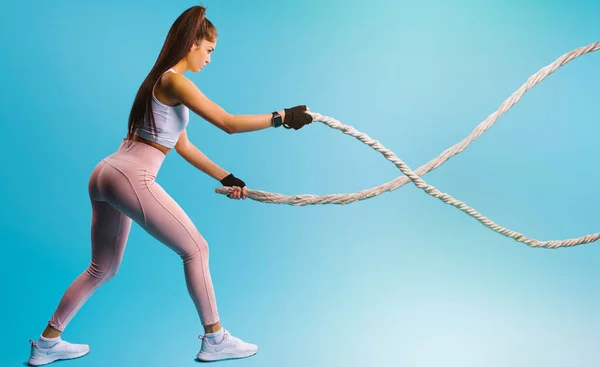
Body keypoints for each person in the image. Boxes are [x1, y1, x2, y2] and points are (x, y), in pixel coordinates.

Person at [27, 5, 313, 366]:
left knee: (102, 268)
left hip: (107, 173)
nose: (210, 58)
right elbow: (228, 123)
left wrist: (226, 176)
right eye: (208, 50)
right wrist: (282, 118)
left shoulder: (159, 81)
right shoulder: (176, 81)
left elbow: (183, 146)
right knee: (196, 249)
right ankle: (216, 338)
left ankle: (47, 343)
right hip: (130, 176)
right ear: (193, 43)